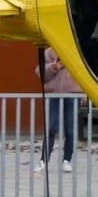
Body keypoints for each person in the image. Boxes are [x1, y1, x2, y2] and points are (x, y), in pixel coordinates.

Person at [34, 46, 79, 174]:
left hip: (72, 93)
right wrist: (53, 67)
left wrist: (84, 94)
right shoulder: (48, 53)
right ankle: (43, 160)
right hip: (54, 94)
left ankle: (67, 160)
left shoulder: (74, 50)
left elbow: (83, 73)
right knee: (51, 127)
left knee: (70, 129)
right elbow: (39, 72)